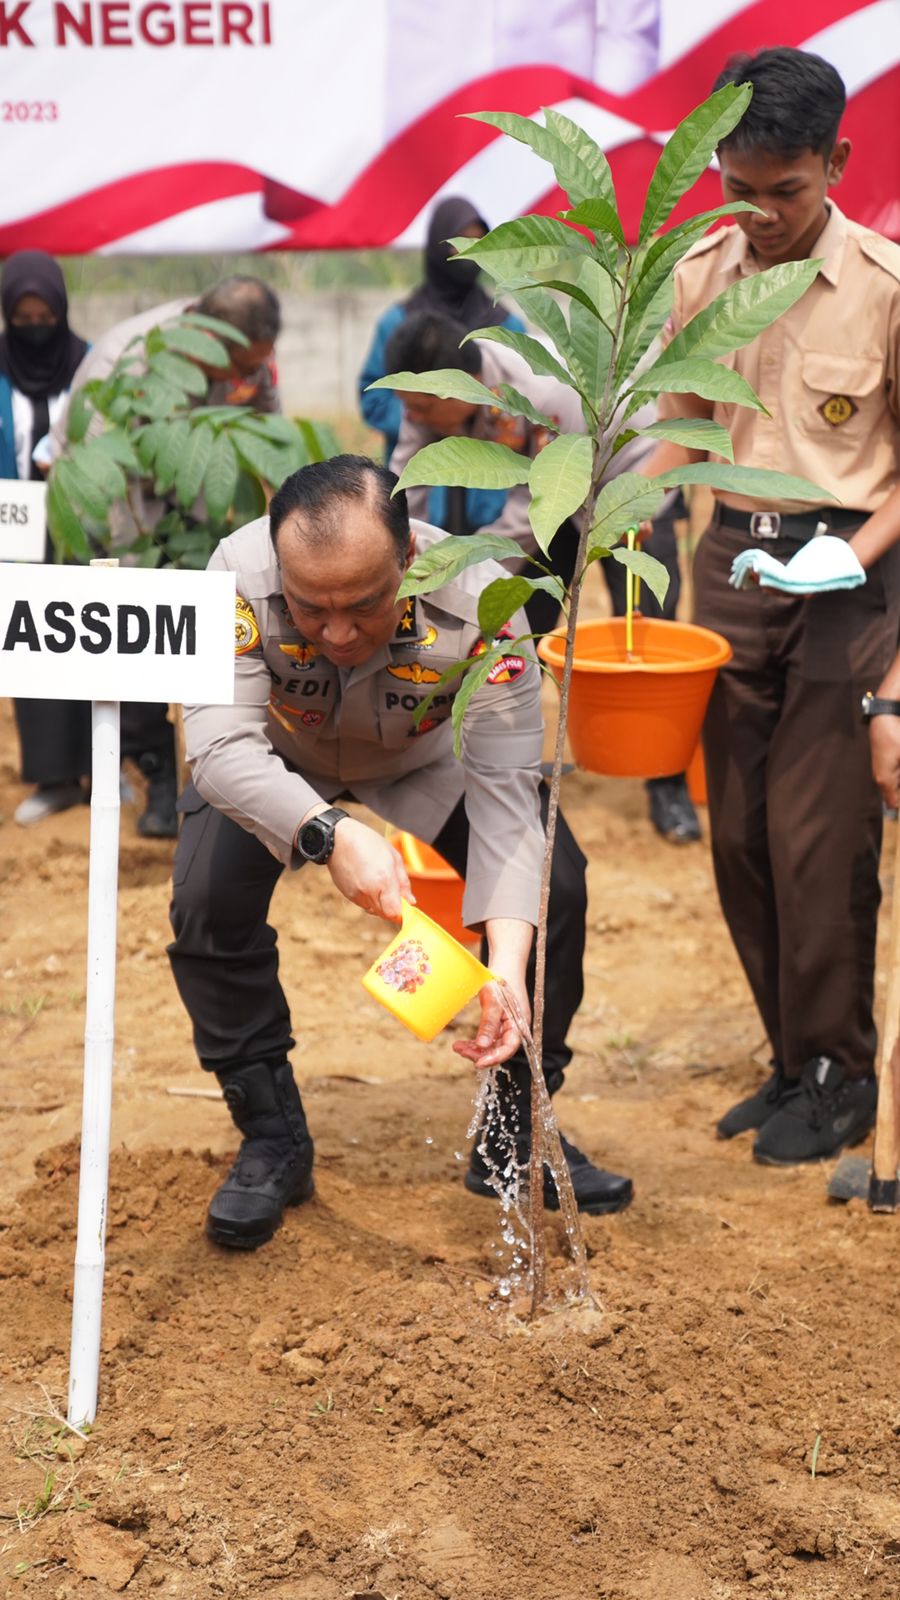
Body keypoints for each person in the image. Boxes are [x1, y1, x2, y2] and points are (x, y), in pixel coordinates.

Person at [167, 454, 633, 1250]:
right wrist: (328, 833)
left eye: (365, 605)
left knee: (560, 889)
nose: (338, 633)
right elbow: (216, 748)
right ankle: (272, 1139)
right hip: (277, 768)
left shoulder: (489, 598)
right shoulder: (235, 574)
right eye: (311, 610)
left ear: (410, 558)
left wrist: (507, 968)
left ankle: (513, 1130)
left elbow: (507, 796)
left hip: (427, 759)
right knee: (207, 906)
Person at [643, 47, 900, 1164]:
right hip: (729, 578)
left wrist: (848, 554)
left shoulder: (885, 291)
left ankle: (842, 1075)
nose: (757, 213)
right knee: (739, 835)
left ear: (835, 163)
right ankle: (790, 1059)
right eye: (734, 188)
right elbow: (681, 422)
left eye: (782, 190)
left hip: (847, 581)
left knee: (815, 837)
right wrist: (617, 503)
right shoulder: (704, 274)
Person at [384, 308, 701, 842]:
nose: (412, 419)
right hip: (555, 500)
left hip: (631, 482)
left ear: (452, 394)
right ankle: (508, 762)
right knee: (517, 625)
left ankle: (666, 786)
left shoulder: (541, 391)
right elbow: (406, 482)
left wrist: (459, 575)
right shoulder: (430, 399)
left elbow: (537, 510)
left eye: (418, 409)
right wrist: (390, 549)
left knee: (646, 625)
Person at [48, 275, 283, 838]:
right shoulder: (127, 363)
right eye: (237, 367)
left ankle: (213, 781)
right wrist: (147, 579)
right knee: (141, 648)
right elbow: (112, 486)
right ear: (208, 332)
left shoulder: (246, 357)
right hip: (110, 510)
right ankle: (156, 778)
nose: (243, 379)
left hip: (193, 502)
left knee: (224, 636)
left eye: (255, 365)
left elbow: (269, 429)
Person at [0, 252, 91, 825]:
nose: (36, 325)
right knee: (32, 643)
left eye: (44, 315)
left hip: (80, 524)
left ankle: (99, 765)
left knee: (89, 638)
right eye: (24, 315)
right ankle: (54, 777)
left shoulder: (87, 363)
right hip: (14, 525)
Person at [358, 196, 524, 464]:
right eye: (459, 243)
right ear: (439, 246)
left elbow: (523, 396)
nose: (467, 255)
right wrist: (426, 415)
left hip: (489, 464)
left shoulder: (505, 325)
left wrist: (472, 416)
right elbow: (373, 396)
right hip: (418, 460)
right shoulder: (399, 323)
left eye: (478, 244)